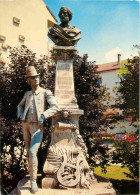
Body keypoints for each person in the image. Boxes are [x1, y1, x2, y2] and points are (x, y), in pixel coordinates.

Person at [17, 66, 59, 193]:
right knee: (28, 152)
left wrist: (44, 115)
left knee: (32, 151)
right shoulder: (27, 93)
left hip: (37, 127)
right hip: (26, 125)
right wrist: (20, 114)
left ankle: (34, 182)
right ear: (28, 80)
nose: (36, 80)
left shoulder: (45, 92)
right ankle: (32, 176)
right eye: (33, 78)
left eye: (37, 77)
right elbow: (20, 105)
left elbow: (55, 106)